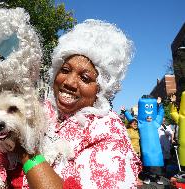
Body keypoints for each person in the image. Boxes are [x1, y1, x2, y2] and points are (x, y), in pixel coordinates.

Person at [10, 19, 142, 189]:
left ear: (100, 89)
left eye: (85, 78)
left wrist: (26, 152)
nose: (70, 82)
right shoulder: (38, 111)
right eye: (65, 70)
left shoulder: (107, 130)